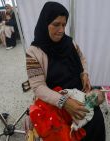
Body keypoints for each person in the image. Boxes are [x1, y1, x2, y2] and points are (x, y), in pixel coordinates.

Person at [26, 2, 105, 141]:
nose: (61, 30)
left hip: (79, 93)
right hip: (55, 99)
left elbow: (82, 59)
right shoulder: (33, 53)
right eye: (56, 24)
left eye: (64, 24)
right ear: (45, 24)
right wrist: (64, 102)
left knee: (96, 120)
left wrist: (84, 73)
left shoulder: (70, 43)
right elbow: (38, 87)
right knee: (65, 132)